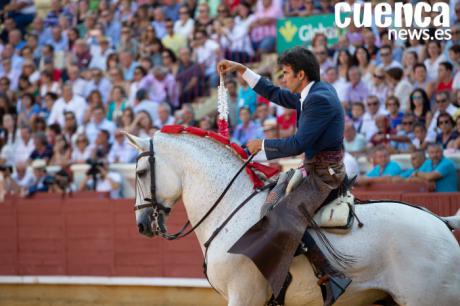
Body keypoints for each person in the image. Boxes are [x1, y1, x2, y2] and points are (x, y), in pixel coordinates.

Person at [217, 46, 351, 305]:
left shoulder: (318, 99)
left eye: (286, 73)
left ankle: (330, 275)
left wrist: (260, 146)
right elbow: (274, 93)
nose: (283, 78)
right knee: (270, 201)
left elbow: (297, 144)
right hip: (313, 168)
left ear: (300, 75)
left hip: (324, 175)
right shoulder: (310, 92)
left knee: (285, 214)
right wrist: (242, 70)